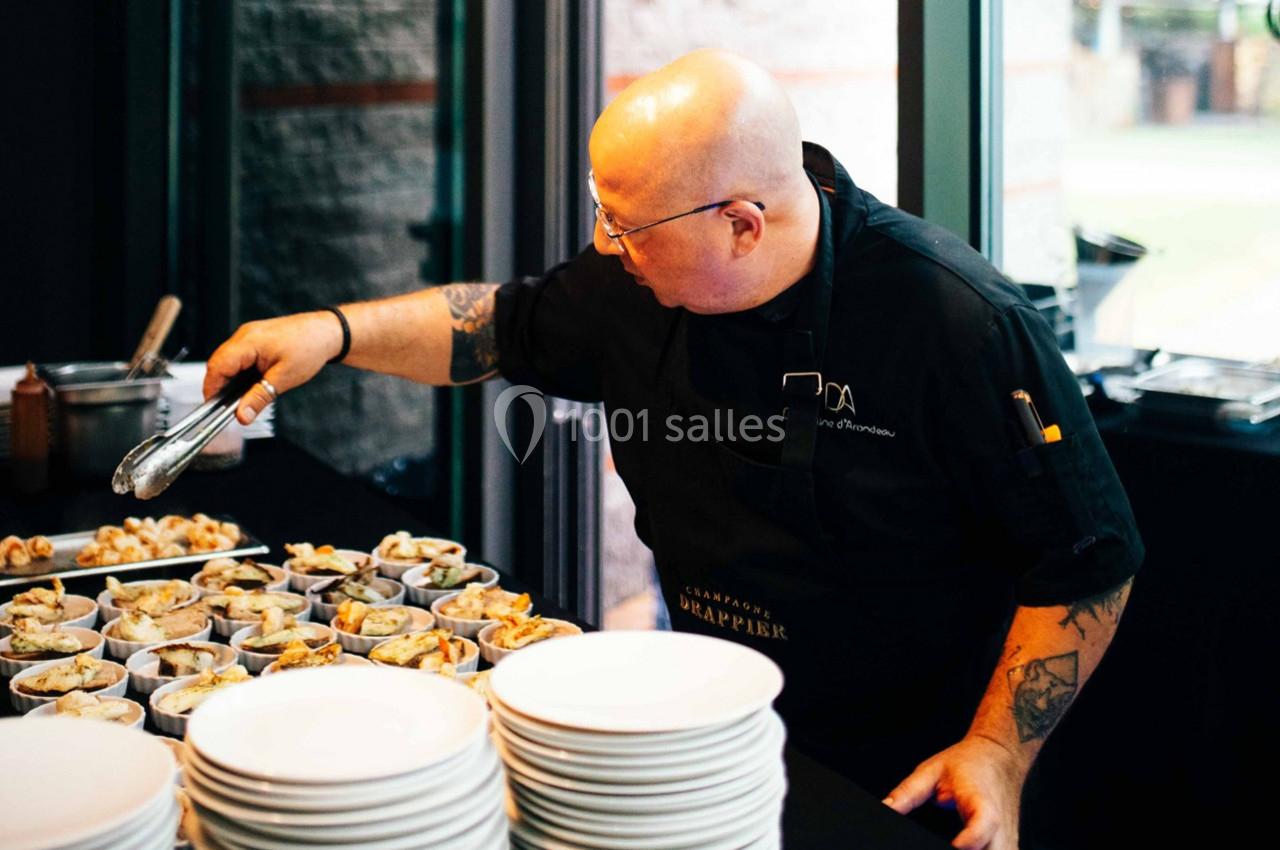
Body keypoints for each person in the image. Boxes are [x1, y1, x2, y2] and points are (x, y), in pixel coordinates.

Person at [206, 50, 1143, 850]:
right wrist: (331, 332)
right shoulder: (640, 280)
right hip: (709, 724)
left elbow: (1088, 560)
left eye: (627, 224)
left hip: (910, 760)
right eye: (602, 210)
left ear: (742, 222)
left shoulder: (957, 322)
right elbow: (497, 325)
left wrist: (999, 750)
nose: (604, 245)